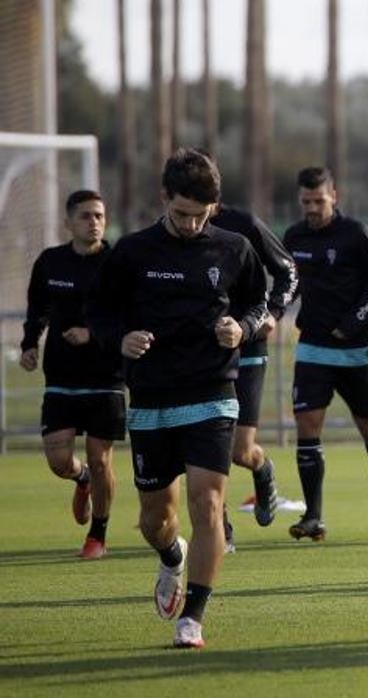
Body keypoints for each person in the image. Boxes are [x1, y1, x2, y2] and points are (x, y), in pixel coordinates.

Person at [86, 148, 268, 648]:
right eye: (181, 213)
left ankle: (195, 617)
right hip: (151, 397)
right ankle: (171, 557)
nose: (190, 225)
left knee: (208, 502)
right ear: (164, 198)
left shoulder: (234, 247)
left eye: (200, 215)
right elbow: (99, 310)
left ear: (214, 206)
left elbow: (260, 300)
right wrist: (118, 339)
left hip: (213, 390)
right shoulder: (132, 252)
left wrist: (243, 327)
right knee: (154, 519)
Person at [282, 167, 368, 541]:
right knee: (307, 425)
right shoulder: (294, 236)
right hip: (312, 347)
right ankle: (313, 516)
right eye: (306, 202)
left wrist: (354, 321)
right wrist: (275, 310)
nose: (312, 208)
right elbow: (290, 283)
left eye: (319, 201)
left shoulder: (356, 234)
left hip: (356, 350)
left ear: (335, 196)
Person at [21, 190, 125, 560]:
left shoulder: (117, 263)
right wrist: (29, 344)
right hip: (62, 376)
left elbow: (129, 317)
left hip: (106, 376)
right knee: (58, 460)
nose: (94, 222)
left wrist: (92, 335)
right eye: (85, 216)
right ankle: (80, 480)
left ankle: (98, 535)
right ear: (68, 222)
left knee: (101, 459)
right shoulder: (51, 262)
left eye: (99, 215)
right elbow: (37, 308)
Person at [208, 203, 297, 548]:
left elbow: (289, 271)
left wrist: (273, 312)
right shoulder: (170, 233)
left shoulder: (243, 224)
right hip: (204, 353)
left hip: (249, 343)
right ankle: (221, 529)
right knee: (210, 445)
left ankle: (262, 468)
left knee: (239, 450)